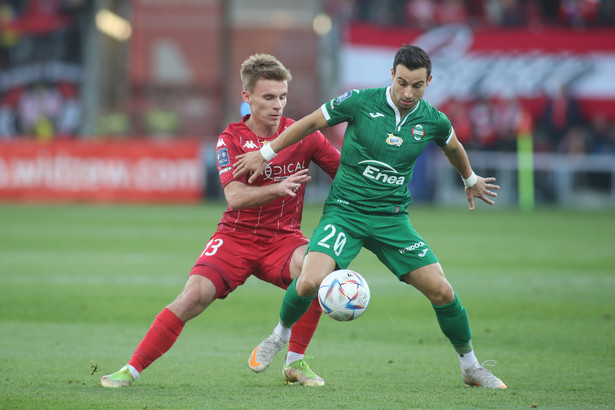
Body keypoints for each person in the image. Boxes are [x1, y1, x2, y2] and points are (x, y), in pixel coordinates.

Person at [234, 45, 507, 389]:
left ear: (429, 82)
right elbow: (311, 123)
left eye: (417, 86)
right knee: (308, 282)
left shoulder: (433, 120)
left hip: (392, 218)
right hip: (345, 213)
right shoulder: (360, 102)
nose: (408, 93)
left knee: (442, 291)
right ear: (391, 74)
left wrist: (469, 178)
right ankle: (278, 336)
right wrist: (266, 152)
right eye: (403, 82)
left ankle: (471, 367)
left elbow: (452, 146)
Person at [100, 54, 340, 388]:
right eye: (268, 97)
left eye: (282, 97)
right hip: (236, 238)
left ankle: (295, 364)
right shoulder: (231, 139)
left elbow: (345, 176)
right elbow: (235, 197)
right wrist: (278, 188)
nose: (278, 105)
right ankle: (131, 369)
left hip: (283, 239)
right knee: (192, 296)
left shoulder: (304, 135)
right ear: (247, 97)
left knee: (317, 273)